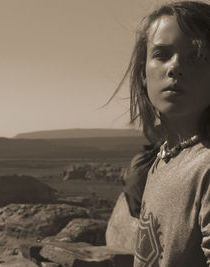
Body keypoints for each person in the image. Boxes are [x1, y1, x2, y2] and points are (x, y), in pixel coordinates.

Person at [116, 1, 210, 266]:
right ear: (143, 73)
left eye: (197, 56)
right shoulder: (165, 157)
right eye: (162, 54)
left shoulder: (206, 167)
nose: (175, 67)